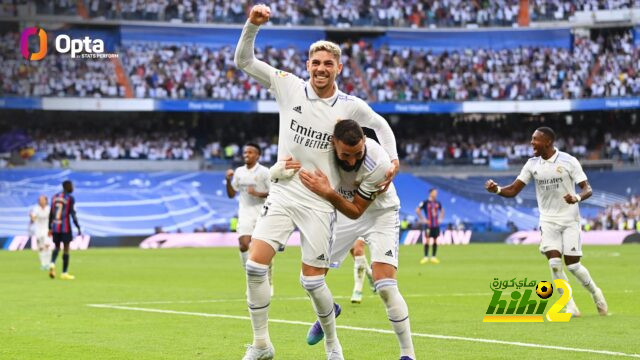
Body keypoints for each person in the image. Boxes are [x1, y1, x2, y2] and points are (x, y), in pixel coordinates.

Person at [235, 5, 399, 360]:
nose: (321, 69)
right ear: (307, 65)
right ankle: (262, 345)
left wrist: (393, 158)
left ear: (338, 68)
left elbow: (382, 125)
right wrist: (252, 25)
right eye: (315, 63)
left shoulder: (351, 105)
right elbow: (245, 62)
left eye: (328, 64)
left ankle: (331, 344)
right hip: (283, 192)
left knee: (312, 281)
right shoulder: (288, 85)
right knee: (254, 266)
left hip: (321, 202)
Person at [287, 120, 415, 360]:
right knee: (310, 280)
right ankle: (329, 311)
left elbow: (356, 210)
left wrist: (326, 192)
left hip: (379, 214)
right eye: (346, 155)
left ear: (365, 142)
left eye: (357, 154)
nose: (352, 161)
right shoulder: (319, 151)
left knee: (386, 286)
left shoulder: (378, 162)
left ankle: (407, 354)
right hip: (341, 212)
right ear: (333, 143)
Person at [484, 127, 607, 317]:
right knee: (554, 264)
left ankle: (595, 293)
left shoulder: (568, 161)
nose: (531, 143)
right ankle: (570, 305)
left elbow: (587, 189)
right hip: (548, 220)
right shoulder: (532, 164)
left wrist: (577, 197)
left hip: (569, 219)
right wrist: (497, 190)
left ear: (547, 142)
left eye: (535, 139)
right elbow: (514, 190)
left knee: (573, 265)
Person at [225, 143, 272, 293]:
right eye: (245, 152)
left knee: (262, 249)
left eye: (250, 152)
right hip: (245, 212)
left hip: (262, 212)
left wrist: (258, 193)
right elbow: (232, 194)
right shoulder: (239, 172)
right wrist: (228, 180)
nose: (247, 155)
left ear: (257, 155)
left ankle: (268, 280)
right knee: (244, 244)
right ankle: (251, 281)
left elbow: (275, 192)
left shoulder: (265, 172)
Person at [48, 180, 81, 280]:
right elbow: (72, 213)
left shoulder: (54, 197)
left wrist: (49, 227)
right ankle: (64, 273)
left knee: (57, 247)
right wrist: (77, 226)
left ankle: (52, 263)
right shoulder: (70, 198)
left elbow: (51, 213)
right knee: (66, 249)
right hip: (65, 227)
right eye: (72, 186)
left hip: (55, 227)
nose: (73, 188)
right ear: (68, 187)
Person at [416, 188, 444, 264]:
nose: (436, 194)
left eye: (436, 192)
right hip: (428, 225)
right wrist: (423, 219)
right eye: (434, 192)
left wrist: (440, 219)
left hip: (436, 225)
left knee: (435, 240)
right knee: (427, 240)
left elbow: (442, 211)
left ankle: (433, 257)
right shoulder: (425, 202)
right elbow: (417, 210)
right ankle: (425, 257)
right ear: (430, 193)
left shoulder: (438, 203)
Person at [347, 237, 375, 303]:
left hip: (364, 227)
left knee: (358, 251)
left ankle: (357, 290)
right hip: (348, 227)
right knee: (353, 250)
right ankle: (371, 275)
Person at [29, 195, 52, 270]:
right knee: (41, 247)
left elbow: (52, 219)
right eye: (40, 200)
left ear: (46, 201)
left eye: (43, 200)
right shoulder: (36, 209)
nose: (41, 201)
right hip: (38, 230)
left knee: (47, 246)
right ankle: (43, 264)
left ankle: (48, 263)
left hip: (47, 229)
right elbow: (33, 219)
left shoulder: (49, 209)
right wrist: (31, 216)